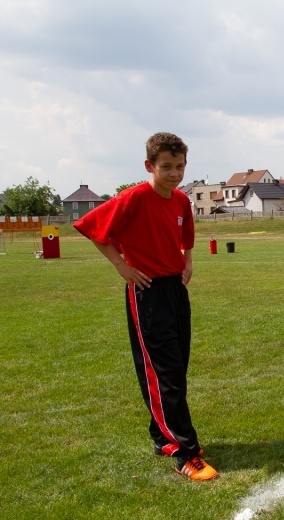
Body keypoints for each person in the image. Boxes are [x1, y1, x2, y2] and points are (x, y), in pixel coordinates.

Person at [73, 132, 218, 481]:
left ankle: (161, 437)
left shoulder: (181, 201)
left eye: (180, 166)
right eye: (166, 167)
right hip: (147, 291)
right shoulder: (134, 197)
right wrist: (121, 266)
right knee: (164, 373)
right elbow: (91, 227)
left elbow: (186, 240)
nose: (174, 173)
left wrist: (187, 260)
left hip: (175, 290)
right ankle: (185, 452)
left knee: (176, 369)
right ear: (149, 165)